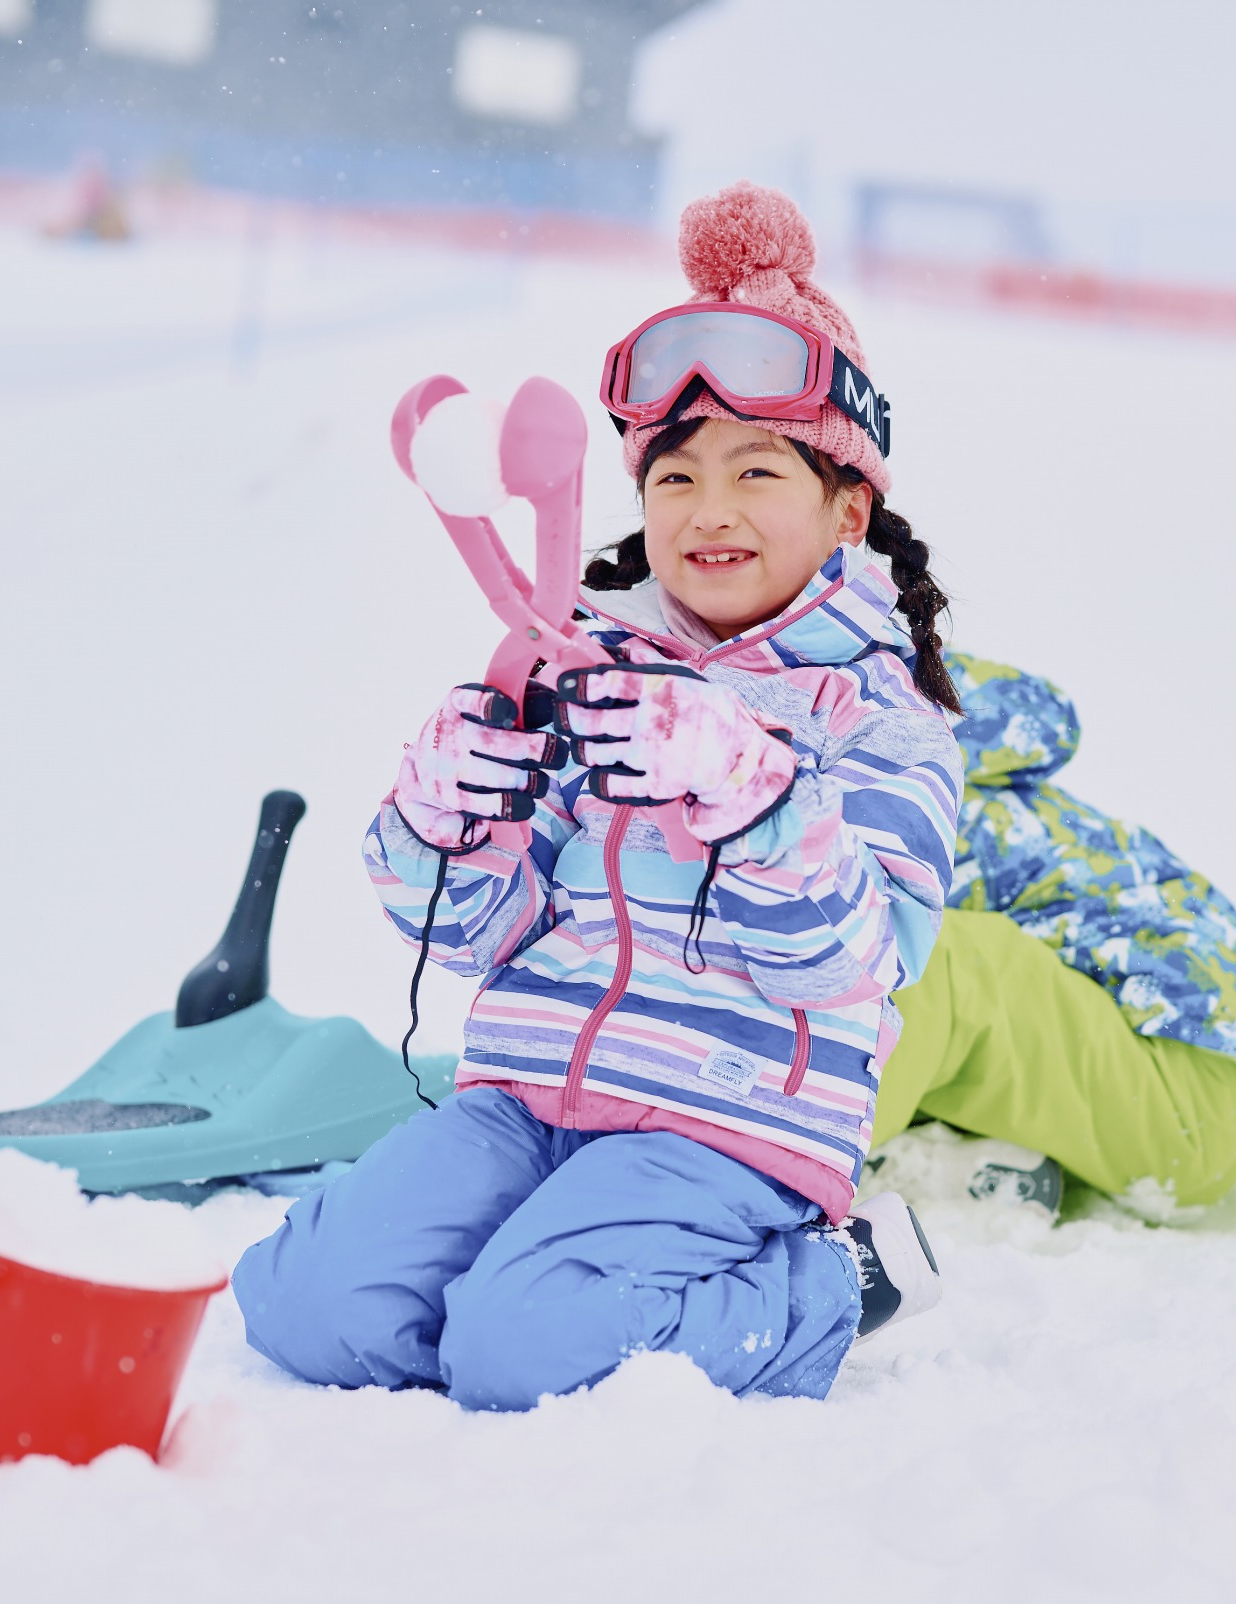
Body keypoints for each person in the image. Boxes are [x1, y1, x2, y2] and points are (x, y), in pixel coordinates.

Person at [233, 184, 964, 1410]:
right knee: (312, 1309)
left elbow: (843, 961)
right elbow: (477, 934)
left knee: (524, 1353)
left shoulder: (882, 717)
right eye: (673, 477)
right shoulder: (585, 666)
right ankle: (533, 1285)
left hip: (720, 1130)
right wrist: (441, 819)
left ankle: (830, 1282)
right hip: (522, 1100)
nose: (708, 508)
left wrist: (748, 784)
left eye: (755, 470)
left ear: (849, 506)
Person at [874, 653, 1236, 1217]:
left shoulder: (912, 806)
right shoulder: (981, 796)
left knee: (900, 950)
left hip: (1179, 1096)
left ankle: (795, 1158)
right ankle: (974, 1165)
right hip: (1183, 1103)